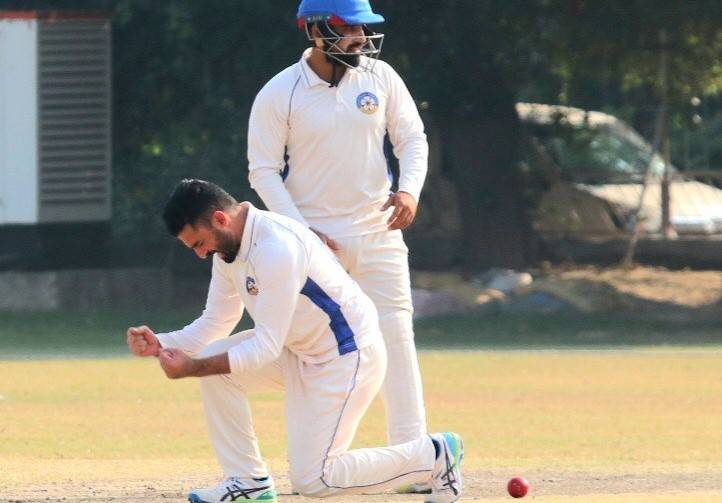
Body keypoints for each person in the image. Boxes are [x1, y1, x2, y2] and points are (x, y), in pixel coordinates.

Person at [125, 179, 463, 503]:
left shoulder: (276, 247)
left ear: (219, 219)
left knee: (315, 479)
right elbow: (217, 322)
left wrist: (193, 367)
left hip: (346, 355)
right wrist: (161, 342)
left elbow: (265, 346)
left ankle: (434, 454)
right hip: (298, 350)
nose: (201, 254)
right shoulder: (228, 252)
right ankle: (248, 483)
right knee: (216, 364)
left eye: (199, 243)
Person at [247, 1, 429, 492]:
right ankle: (295, 459)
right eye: (348, 28)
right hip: (312, 246)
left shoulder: (381, 76)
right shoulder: (280, 92)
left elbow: (412, 139)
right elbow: (262, 169)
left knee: (396, 339)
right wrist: (302, 233)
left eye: (363, 28)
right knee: (300, 345)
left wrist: (409, 189)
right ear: (314, 29)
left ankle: (415, 459)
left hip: (378, 234)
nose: (359, 38)